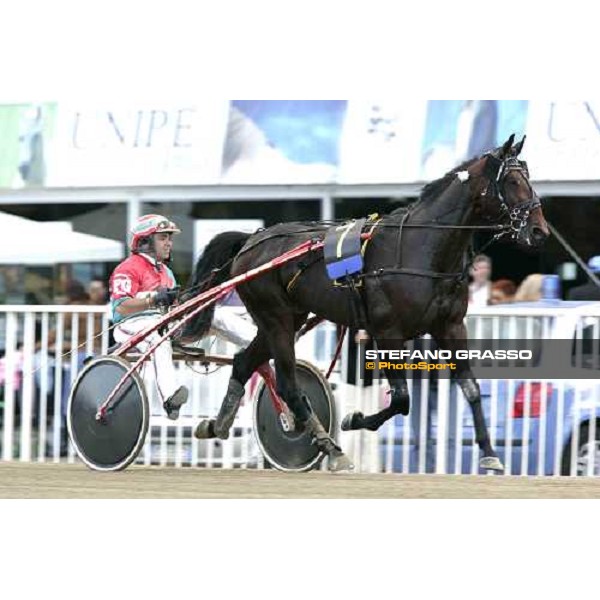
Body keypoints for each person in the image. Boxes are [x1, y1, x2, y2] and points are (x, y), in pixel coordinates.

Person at [109, 214, 188, 420]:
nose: (169, 243)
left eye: (170, 238)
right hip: (130, 325)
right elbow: (121, 307)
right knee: (157, 336)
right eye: (163, 238)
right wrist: (154, 300)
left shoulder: (167, 273)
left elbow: (175, 308)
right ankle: (170, 397)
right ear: (145, 242)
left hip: (160, 325)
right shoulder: (127, 268)